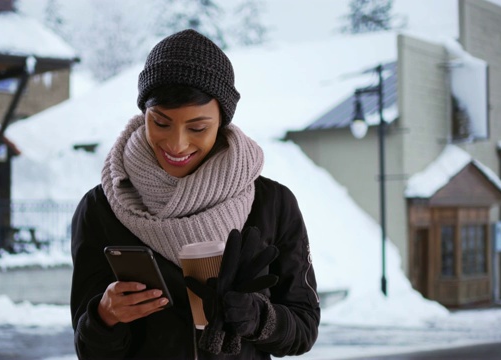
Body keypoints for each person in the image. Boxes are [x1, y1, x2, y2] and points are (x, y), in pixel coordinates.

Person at [70, 29, 320, 359]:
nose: (176, 144)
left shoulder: (272, 204)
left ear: (222, 123)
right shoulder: (101, 207)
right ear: (144, 113)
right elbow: (88, 350)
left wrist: (260, 319)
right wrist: (106, 316)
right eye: (160, 122)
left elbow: (303, 328)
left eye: (197, 128)